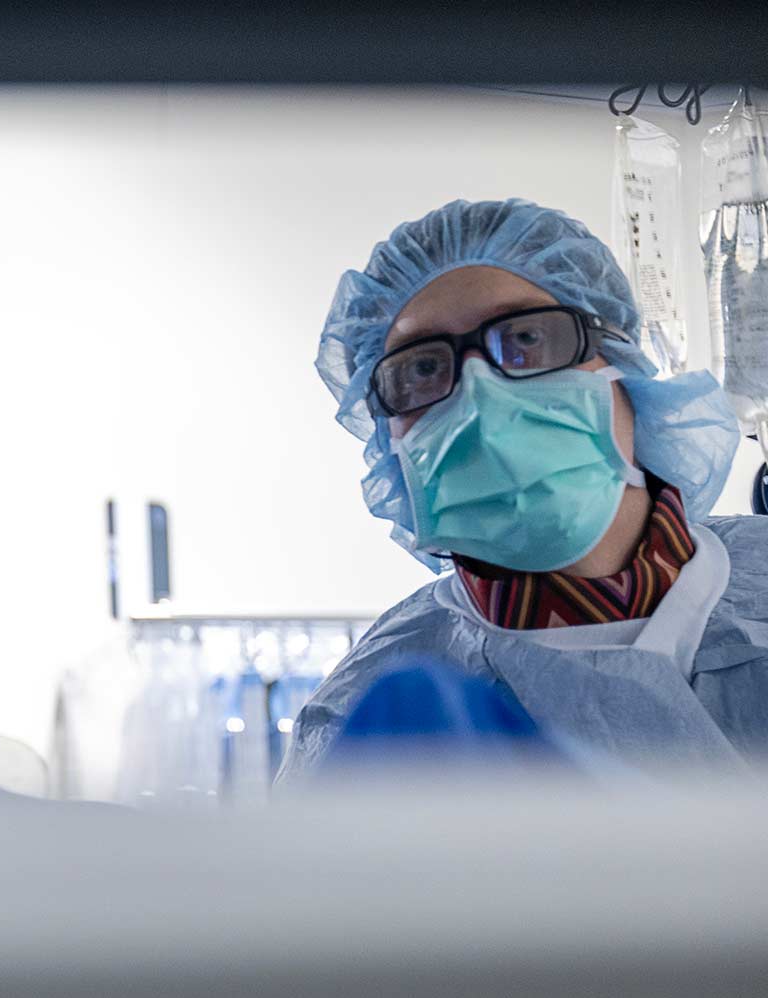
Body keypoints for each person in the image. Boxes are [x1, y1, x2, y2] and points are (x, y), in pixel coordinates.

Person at [284, 198, 768, 779]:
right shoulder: (366, 727)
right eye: (423, 368)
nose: (483, 398)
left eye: (528, 337)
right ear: (388, 440)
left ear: (620, 365)